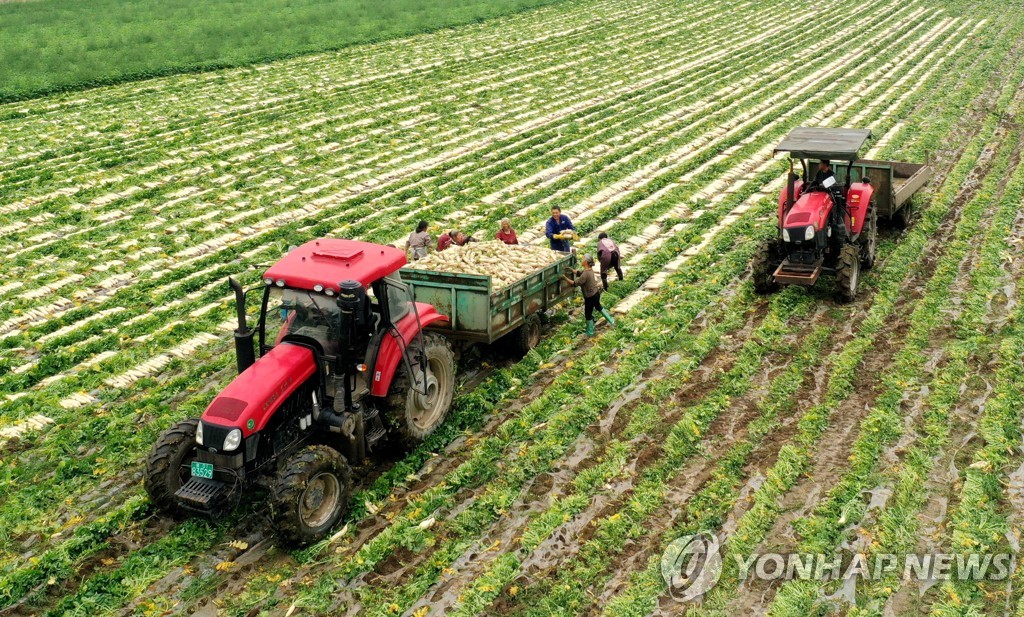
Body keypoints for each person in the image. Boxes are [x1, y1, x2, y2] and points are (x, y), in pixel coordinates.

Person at [564, 254, 615, 336]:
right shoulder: (589, 270)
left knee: (588, 314)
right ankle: (611, 320)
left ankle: (590, 332)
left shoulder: (585, 274)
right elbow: (580, 273)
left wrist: (564, 278)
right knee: (598, 306)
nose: (582, 260)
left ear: (586, 262)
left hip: (590, 297)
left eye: (583, 259)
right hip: (596, 293)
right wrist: (572, 270)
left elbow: (575, 283)